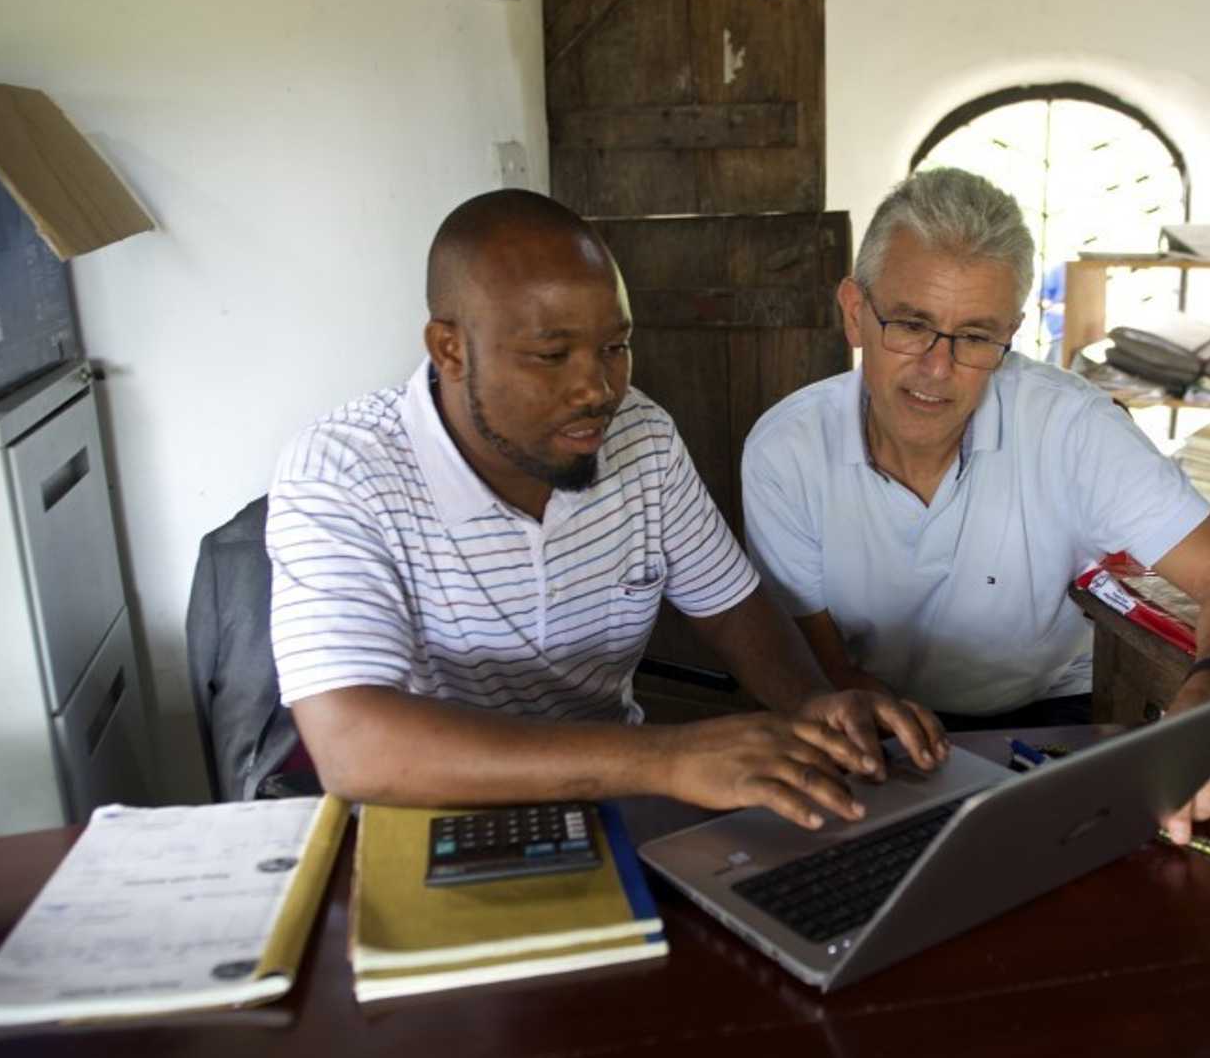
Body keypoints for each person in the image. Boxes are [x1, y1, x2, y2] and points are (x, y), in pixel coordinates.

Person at [266, 190, 947, 833]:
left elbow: (736, 612)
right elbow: (353, 747)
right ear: (450, 349)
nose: (597, 389)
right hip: (431, 817)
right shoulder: (343, 470)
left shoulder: (640, 437)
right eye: (551, 355)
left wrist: (811, 702)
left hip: (612, 808)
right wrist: (665, 758)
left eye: (615, 348)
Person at [740, 168, 1210, 845]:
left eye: (975, 336)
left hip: (1060, 716)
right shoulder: (786, 451)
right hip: (881, 726)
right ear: (855, 311)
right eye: (911, 324)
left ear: (1011, 333)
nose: (937, 367)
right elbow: (819, 667)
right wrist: (882, 739)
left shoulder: (1071, 426)